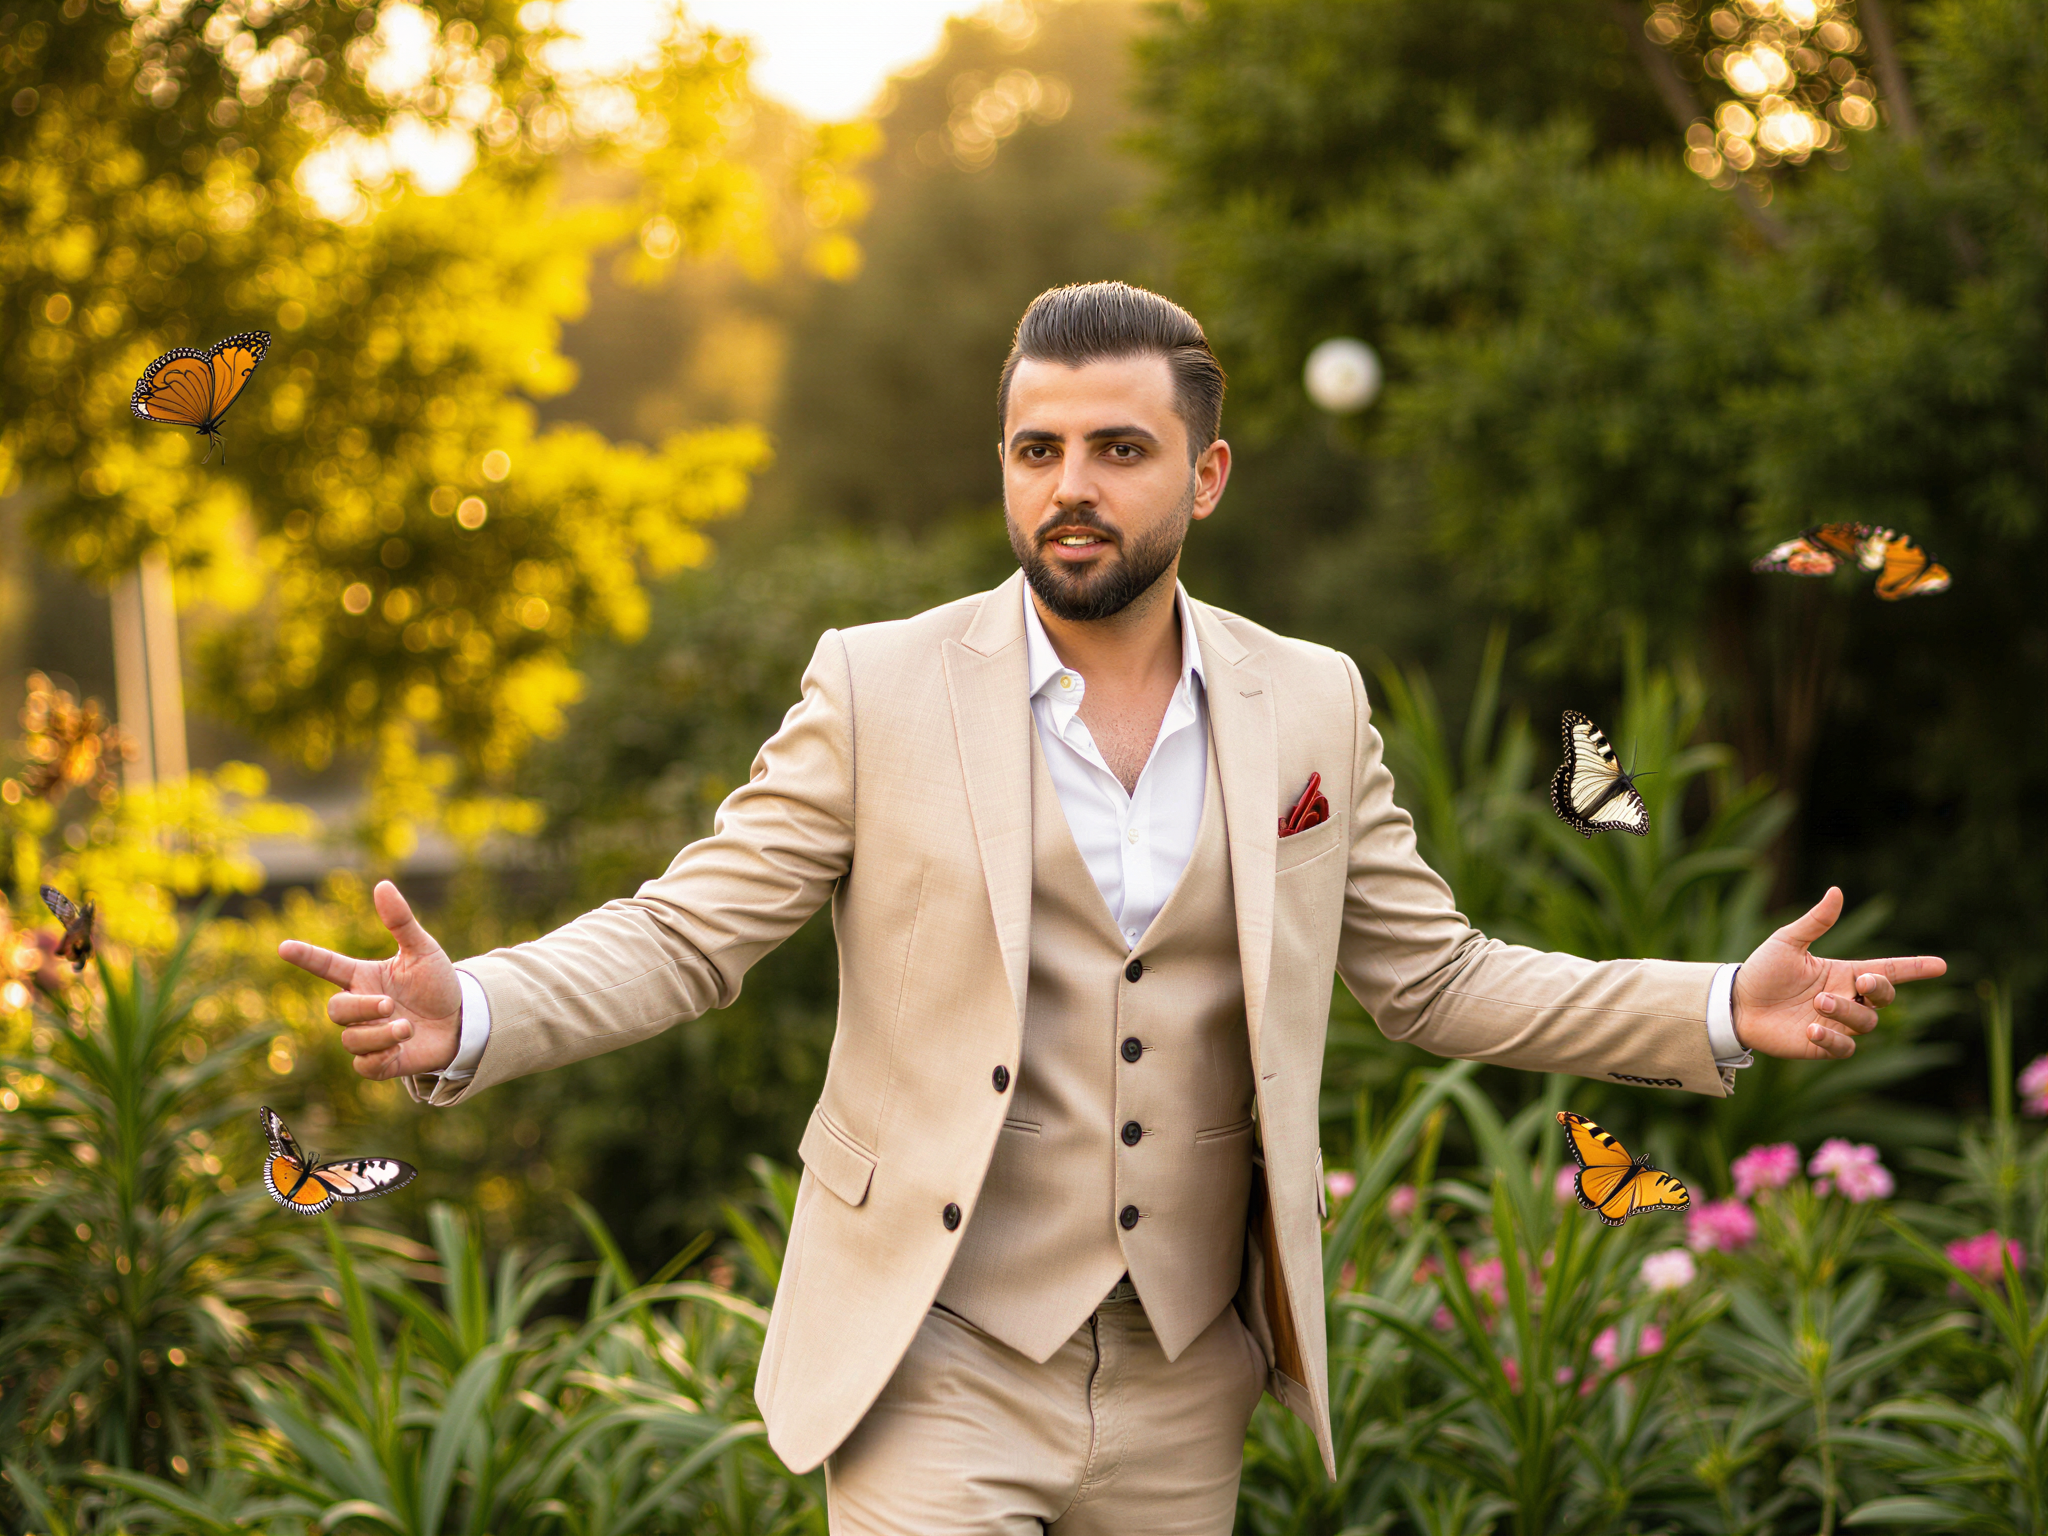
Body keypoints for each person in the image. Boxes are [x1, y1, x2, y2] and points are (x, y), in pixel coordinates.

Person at [281, 281, 1946, 1534]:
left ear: (1206, 475)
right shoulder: (874, 688)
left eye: (1118, 449)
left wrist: (1723, 1003)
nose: (1069, 485)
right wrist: (474, 1005)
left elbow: (1434, 980)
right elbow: (690, 929)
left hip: (1184, 1379)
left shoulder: (1311, 704)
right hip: (936, 1352)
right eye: (1037, 449)